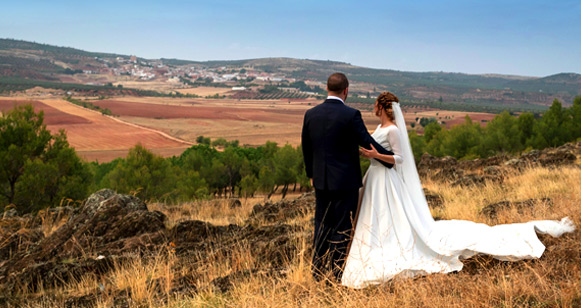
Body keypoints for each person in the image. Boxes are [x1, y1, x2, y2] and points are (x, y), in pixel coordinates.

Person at [341, 91, 576, 288]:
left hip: (386, 180)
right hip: (374, 177)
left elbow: (399, 159)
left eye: (375, 104)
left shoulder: (392, 129)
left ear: (382, 106)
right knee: (374, 216)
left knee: (391, 217)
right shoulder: (381, 126)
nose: (373, 107)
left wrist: (375, 155)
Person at [301, 73, 395, 281]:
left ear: (327, 89)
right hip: (346, 182)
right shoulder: (351, 114)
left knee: (322, 224)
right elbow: (366, 142)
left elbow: (306, 148)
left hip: (321, 181)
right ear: (346, 91)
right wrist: (389, 159)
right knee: (343, 226)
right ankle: (336, 273)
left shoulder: (311, 114)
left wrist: (311, 174)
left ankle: (317, 271)